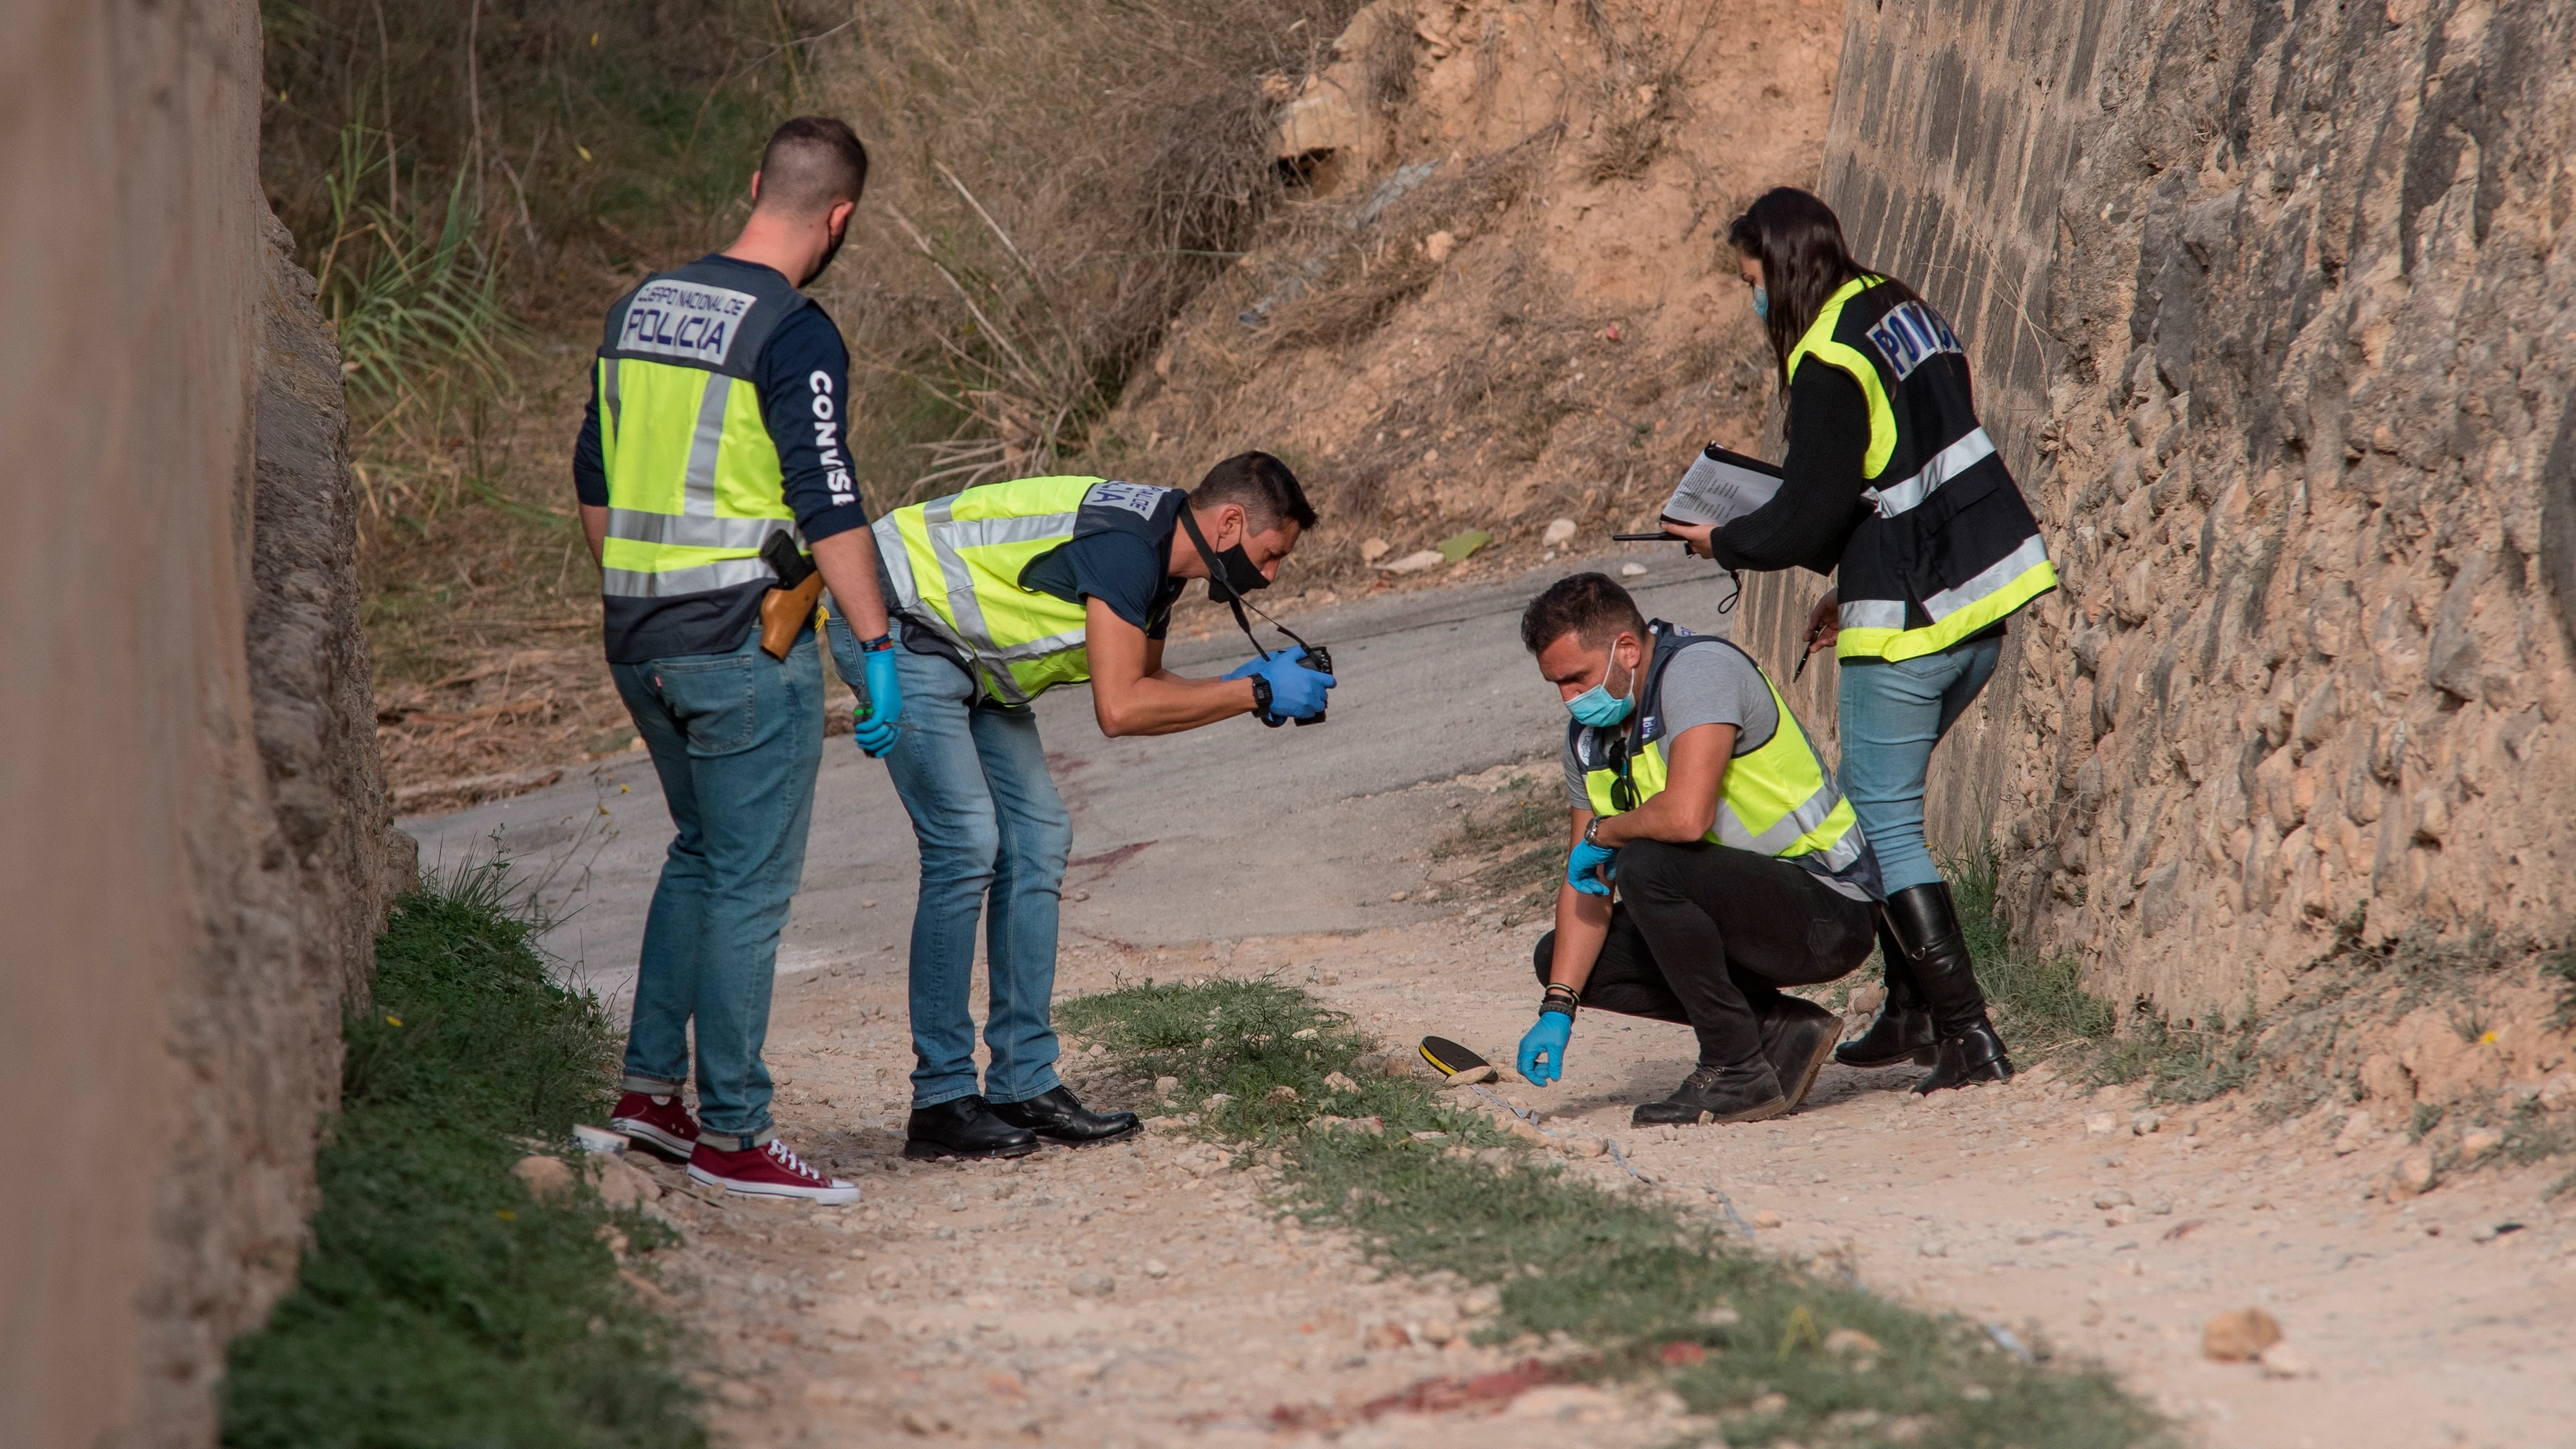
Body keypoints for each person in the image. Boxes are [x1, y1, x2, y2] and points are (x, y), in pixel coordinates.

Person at [1659, 187, 2058, 1093]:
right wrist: (1853, 576)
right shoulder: (1897, 309)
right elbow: (1900, 471)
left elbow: (1805, 515)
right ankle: (1911, 1011)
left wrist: (1718, 538)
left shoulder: (1826, 357)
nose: (1751, 299)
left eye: (1750, 280)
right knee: (1872, 807)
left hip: (1909, 622)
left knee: (1876, 824)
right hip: (1977, 597)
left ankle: (1966, 1035)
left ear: (1781, 266)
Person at [829, 453, 1331, 1160]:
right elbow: (1121, 709)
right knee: (968, 841)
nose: (1271, 575)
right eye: (1271, 554)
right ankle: (941, 1098)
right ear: (1230, 523)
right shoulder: (1131, 550)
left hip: (967, 657)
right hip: (892, 619)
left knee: (1038, 836)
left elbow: (1145, 680)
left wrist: (1237, 683)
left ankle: (1021, 1084)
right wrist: (1254, 693)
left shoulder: (1159, 561)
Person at [576, 117, 902, 1204]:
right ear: (840, 217)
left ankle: (649, 1097)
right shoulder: (793, 330)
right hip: (738, 644)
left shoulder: (641, 307)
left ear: (756, 183)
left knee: (701, 852)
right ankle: (736, 1131)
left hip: (638, 637)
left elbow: (593, 473)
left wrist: (641, 591)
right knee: (750, 886)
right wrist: (877, 646)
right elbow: (829, 496)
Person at [1512, 574, 1884, 1126]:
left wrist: (1607, 834)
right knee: (1562, 960)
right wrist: (1558, 1006)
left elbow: (1686, 819)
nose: (1568, 698)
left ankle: (1736, 1066)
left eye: (1576, 678)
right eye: (1556, 685)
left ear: (1627, 649)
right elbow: (1584, 886)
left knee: (1645, 862)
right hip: (1739, 909)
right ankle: (1775, 1030)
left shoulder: (1697, 672)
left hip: (1827, 906)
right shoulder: (1590, 740)